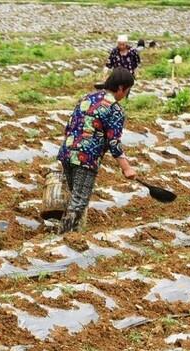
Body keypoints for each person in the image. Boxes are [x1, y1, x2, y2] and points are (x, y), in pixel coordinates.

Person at [56, 68, 137, 233]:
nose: (126, 94)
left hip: (67, 152)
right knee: (79, 201)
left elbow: (69, 125)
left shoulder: (86, 98)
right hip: (86, 157)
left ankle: (74, 233)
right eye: (127, 90)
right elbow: (114, 142)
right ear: (121, 88)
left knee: (75, 196)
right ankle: (64, 238)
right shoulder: (115, 109)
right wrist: (126, 168)